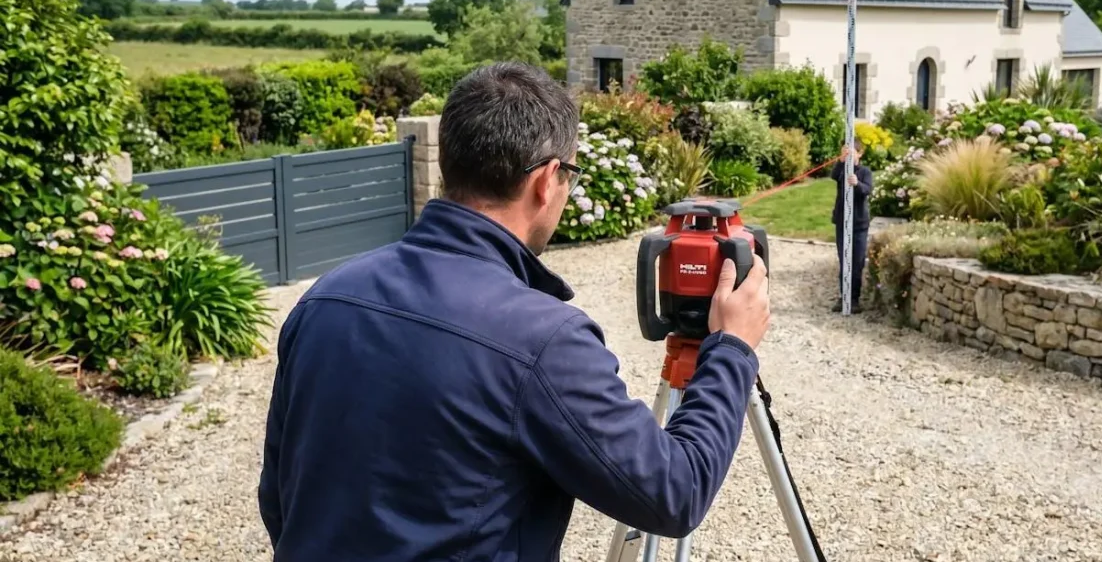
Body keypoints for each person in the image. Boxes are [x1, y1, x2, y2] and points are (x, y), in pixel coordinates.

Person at [257, 62, 771, 562]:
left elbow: (281, 497)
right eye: (570, 177)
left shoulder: (325, 297)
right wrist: (731, 348)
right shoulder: (542, 339)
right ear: (547, 180)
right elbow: (675, 492)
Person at [830, 136, 872, 312]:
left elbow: (867, 189)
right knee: (844, 259)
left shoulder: (864, 172)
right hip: (842, 222)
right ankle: (843, 296)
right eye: (844, 152)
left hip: (858, 224)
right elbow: (834, 176)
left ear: (860, 154)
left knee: (857, 261)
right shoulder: (841, 170)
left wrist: (857, 184)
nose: (847, 156)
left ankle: (854, 299)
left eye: (851, 153)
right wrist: (840, 162)